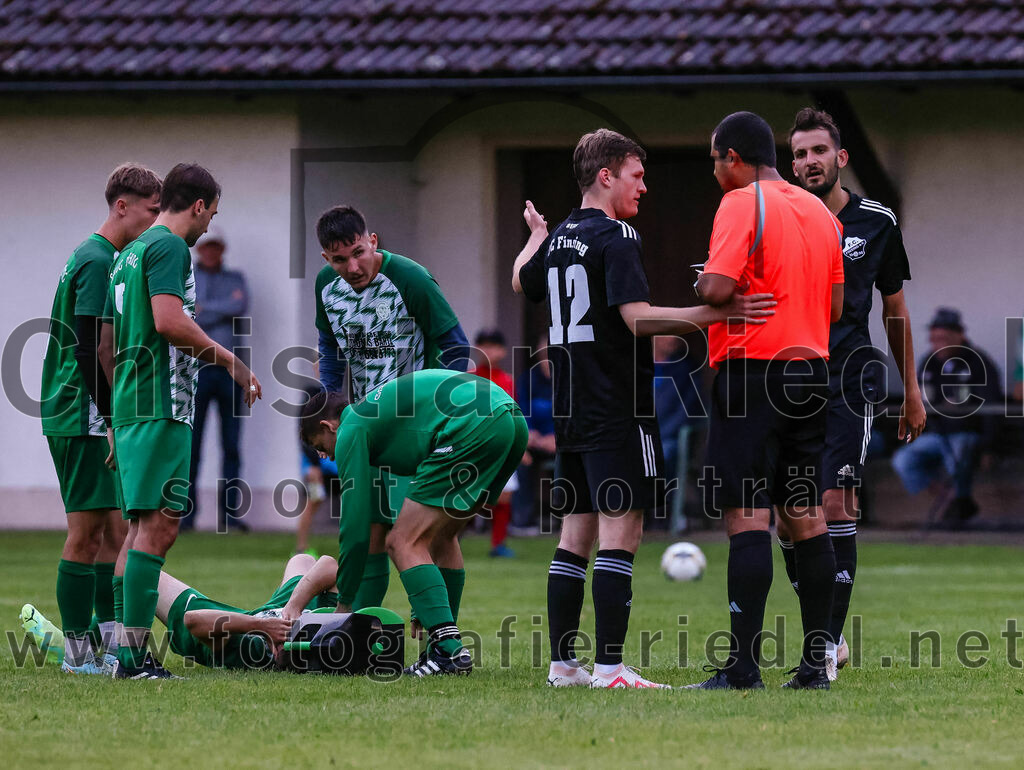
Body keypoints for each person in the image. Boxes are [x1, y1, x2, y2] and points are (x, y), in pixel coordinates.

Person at [512, 128, 776, 689]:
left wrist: (536, 235)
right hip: (618, 407)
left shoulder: (560, 236)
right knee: (621, 531)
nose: (644, 187)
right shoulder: (617, 235)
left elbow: (520, 279)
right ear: (606, 176)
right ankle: (609, 668)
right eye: (636, 175)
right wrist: (721, 315)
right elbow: (639, 320)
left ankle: (564, 667)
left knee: (573, 537)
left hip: (571, 410)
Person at [688, 111, 844, 691]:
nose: (714, 172)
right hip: (812, 371)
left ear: (733, 157)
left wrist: (704, 281)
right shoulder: (822, 213)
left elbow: (719, 289)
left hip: (753, 370)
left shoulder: (740, 203)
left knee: (747, 515)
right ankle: (813, 667)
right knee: (805, 514)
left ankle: (743, 668)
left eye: (713, 160)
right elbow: (832, 308)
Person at [103, 163, 262, 680]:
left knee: (137, 531)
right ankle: (132, 659)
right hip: (160, 405)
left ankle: (124, 652)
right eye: (211, 213)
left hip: (131, 406)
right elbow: (170, 322)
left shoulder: (127, 253)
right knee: (159, 529)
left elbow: (106, 342)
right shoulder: (170, 247)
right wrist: (232, 361)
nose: (210, 225)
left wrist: (112, 414)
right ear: (197, 205)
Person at [785, 106, 926, 680]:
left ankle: (825, 643)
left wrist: (911, 389)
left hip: (850, 380)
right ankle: (825, 630)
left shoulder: (876, 221)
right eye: (798, 154)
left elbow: (894, 307)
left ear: (841, 158)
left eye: (818, 151)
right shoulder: (784, 219)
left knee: (837, 503)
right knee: (790, 517)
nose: (809, 162)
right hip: (789, 380)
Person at [300, 369, 528, 676]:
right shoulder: (381, 421)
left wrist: (345, 603)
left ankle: (449, 652)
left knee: (400, 541)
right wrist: (424, 606)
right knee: (442, 537)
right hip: (509, 419)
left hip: (471, 423)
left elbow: (355, 528)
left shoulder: (351, 428)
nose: (326, 456)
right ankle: (442, 646)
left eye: (321, 446)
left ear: (329, 426)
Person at [313, 205, 470, 615]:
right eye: (339, 259)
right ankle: (357, 633)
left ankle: (441, 634)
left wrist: (439, 414)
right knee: (371, 529)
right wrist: (329, 405)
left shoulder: (410, 277)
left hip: (420, 429)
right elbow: (328, 349)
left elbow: (455, 346)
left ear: (373, 241)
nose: (352, 266)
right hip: (370, 430)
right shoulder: (325, 287)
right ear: (325, 259)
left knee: (436, 534)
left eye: (358, 252)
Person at [40, 163, 162, 674]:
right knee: (88, 532)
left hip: (87, 410)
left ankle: (112, 642)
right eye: (152, 211)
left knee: (114, 530)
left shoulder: (100, 255)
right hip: (81, 410)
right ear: (122, 206)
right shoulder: (96, 258)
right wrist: (112, 417)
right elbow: (90, 347)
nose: (156, 222)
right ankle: (78, 653)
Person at [891, 308, 1001, 524]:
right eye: (934, 338)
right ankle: (952, 498)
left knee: (958, 455)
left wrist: (990, 447)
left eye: (943, 338)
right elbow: (921, 402)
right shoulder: (928, 363)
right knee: (903, 460)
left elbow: (992, 409)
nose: (937, 343)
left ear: (959, 335)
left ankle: (958, 504)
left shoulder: (978, 362)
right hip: (937, 435)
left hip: (968, 434)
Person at [157, 553, 338, 670]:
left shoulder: (256, 651)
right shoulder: (320, 623)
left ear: (276, 652)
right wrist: (294, 606)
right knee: (303, 560)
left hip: (221, 624)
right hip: (281, 608)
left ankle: (131, 658)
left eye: (288, 637)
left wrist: (262, 627)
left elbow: (193, 620)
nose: (289, 632)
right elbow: (329, 565)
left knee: (143, 572)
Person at [183, 226, 251, 533]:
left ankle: (229, 515)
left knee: (232, 444)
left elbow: (239, 306)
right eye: (206, 247)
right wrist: (215, 311)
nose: (211, 252)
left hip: (230, 373)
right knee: (191, 445)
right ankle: (186, 514)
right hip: (195, 371)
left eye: (216, 247)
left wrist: (204, 309)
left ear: (222, 250)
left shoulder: (235, 279)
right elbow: (186, 316)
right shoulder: (188, 277)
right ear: (199, 249)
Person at [469, 328, 518, 557]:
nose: (488, 351)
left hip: (502, 445)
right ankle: (448, 537)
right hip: (473, 445)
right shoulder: (469, 377)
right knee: (468, 495)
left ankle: (498, 544)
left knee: (505, 494)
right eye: (483, 345)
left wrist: (521, 445)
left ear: (503, 351)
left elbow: (514, 414)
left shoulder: (507, 380)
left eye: (493, 346)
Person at [651, 334, 704, 530]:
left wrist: (659, 434)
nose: (672, 338)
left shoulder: (685, 369)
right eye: (666, 332)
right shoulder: (638, 364)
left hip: (671, 436)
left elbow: (689, 410)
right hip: (641, 434)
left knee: (663, 453)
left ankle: (663, 513)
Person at [511, 332, 557, 536]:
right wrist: (529, 433)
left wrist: (559, 437)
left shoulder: (572, 379)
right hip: (535, 442)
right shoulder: (529, 379)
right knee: (521, 457)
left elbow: (577, 412)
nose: (548, 359)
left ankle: (567, 521)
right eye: (544, 354)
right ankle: (522, 521)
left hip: (563, 443)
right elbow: (521, 409)